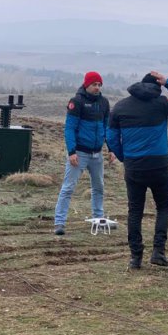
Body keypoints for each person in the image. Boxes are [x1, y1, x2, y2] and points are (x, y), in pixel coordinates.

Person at [106, 71, 168, 268]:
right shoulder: (161, 103)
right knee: (163, 207)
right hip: (159, 165)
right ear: (157, 86)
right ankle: (158, 252)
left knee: (135, 210)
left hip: (134, 166)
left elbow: (110, 138)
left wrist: (123, 158)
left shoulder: (120, 106)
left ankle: (136, 258)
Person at [54, 71, 112, 235]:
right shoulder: (76, 102)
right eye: (94, 84)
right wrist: (72, 152)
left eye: (99, 85)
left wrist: (112, 148)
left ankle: (98, 219)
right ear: (87, 85)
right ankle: (59, 223)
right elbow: (70, 128)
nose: (97, 87)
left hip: (97, 154)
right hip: (79, 153)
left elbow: (107, 127)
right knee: (68, 187)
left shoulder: (104, 103)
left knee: (99, 187)